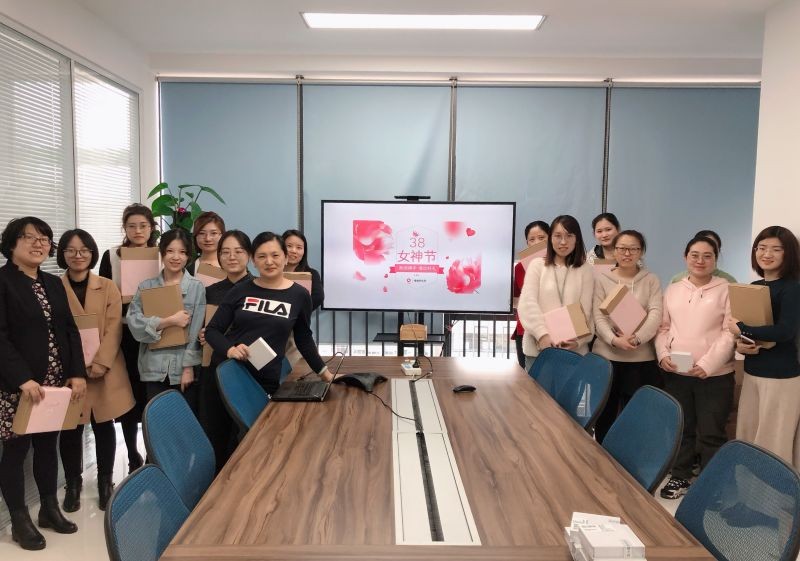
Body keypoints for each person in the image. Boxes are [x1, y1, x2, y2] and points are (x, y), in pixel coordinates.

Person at [0, 217, 87, 550]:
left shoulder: (53, 282)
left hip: (54, 383)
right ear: (12, 243)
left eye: (45, 239)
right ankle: (19, 520)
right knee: (16, 450)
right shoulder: (3, 281)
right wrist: (21, 378)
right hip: (17, 386)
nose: (39, 244)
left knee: (49, 446)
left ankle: (49, 509)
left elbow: (69, 330)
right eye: (30, 237)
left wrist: (77, 372)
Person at [57, 229, 135, 513]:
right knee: (70, 428)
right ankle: (73, 484)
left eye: (84, 250)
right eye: (71, 250)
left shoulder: (107, 286)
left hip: (104, 368)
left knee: (103, 424)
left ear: (92, 253)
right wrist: (74, 368)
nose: (78, 255)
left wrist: (101, 362)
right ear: (62, 254)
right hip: (69, 371)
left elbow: (114, 328)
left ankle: (105, 482)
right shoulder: (54, 287)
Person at [656, 235, 736, 499]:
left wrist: (708, 364)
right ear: (685, 257)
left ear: (716, 259)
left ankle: (713, 486)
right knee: (683, 427)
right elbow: (664, 328)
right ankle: (680, 476)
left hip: (714, 375)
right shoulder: (674, 289)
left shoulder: (727, 289)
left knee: (712, 432)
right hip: (677, 372)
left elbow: (729, 332)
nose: (700, 260)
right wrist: (663, 354)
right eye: (694, 255)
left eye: (707, 256)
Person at [206, 232, 332, 395]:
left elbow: (304, 339)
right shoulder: (240, 290)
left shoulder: (300, 295)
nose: (269, 261)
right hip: (230, 372)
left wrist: (325, 374)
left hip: (266, 378)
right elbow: (212, 331)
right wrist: (230, 349)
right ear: (253, 260)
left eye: (275, 255)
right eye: (262, 256)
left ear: (285, 258)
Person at [729, 226, 800, 468]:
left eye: (776, 249)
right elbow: (752, 329)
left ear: (788, 254)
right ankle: (747, 489)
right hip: (753, 372)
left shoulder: (793, 288)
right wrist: (742, 343)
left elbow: (785, 331)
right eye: (761, 247)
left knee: (773, 443)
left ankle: (775, 493)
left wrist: (742, 329)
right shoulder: (755, 285)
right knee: (748, 437)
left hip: (781, 377)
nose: (766, 254)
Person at [98, 203, 156, 473]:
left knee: (150, 393)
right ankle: (132, 453)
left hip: (154, 333)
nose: (138, 231)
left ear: (151, 228)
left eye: (143, 225)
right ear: (124, 228)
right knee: (127, 394)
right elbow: (103, 297)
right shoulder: (112, 256)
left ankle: (153, 452)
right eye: (132, 226)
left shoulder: (161, 255)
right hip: (124, 335)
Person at [592, 230, 663, 443]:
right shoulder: (601, 278)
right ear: (614, 251)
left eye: (633, 249)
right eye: (622, 248)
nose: (627, 253)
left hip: (641, 359)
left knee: (637, 415)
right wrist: (614, 339)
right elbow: (597, 316)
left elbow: (656, 313)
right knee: (605, 414)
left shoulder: (651, 280)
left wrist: (638, 338)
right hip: (607, 357)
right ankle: (602, 453)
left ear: (641, 252)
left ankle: (632, 455)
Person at [126, 229, 205, 406]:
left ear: (188, 256)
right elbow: (133, 321)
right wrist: (168, 321)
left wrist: (188, 367)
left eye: (182, 252)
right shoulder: (146, 286)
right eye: (170, 251)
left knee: (184, 419)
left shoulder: (196, 287)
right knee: (156, 419)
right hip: (153, 368)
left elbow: (195, 331)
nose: (176, 257)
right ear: (162, 253)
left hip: (182, 370)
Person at [198, 230, 253, 471]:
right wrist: (201, 333)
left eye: (238, 251)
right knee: (214, 430)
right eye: (225, 252)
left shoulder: (259, 287)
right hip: (214, 368)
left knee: (243, 431)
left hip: (248, 370)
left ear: (249, 255)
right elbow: (203, 327)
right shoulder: (211, 290)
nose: (232, 257)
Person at [518, 215, 594, 371]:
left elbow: (587, 311)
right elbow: (527, 304)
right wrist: (542, 335)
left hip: (573, 352)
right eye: (558, 236)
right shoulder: (537, 265)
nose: (563, 242)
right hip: (539, 350)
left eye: (569, 236)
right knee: (534, 389)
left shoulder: (585, 269)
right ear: (550, 239)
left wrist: (577, 341)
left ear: (577, 239)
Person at [512, 220, 550, 370]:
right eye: (531, 239)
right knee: (527, 377)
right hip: (525, 330)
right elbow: (514, 299)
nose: (536, 243)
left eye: (541, 238)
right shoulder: (520, 268)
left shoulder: (558, 264)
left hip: (553, 329)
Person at [670, 229, 737, 283]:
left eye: (712, 245)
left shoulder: (729, 282)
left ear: (717, 254)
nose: (700, 261)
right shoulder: (677, 280)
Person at [282, 229, 324, 311]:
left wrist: (297, 311)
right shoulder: (274, 272)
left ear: (304, 251)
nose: (294, 251)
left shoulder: (312, 274)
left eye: (299, 247)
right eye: (289, 246)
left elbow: (318, 297)